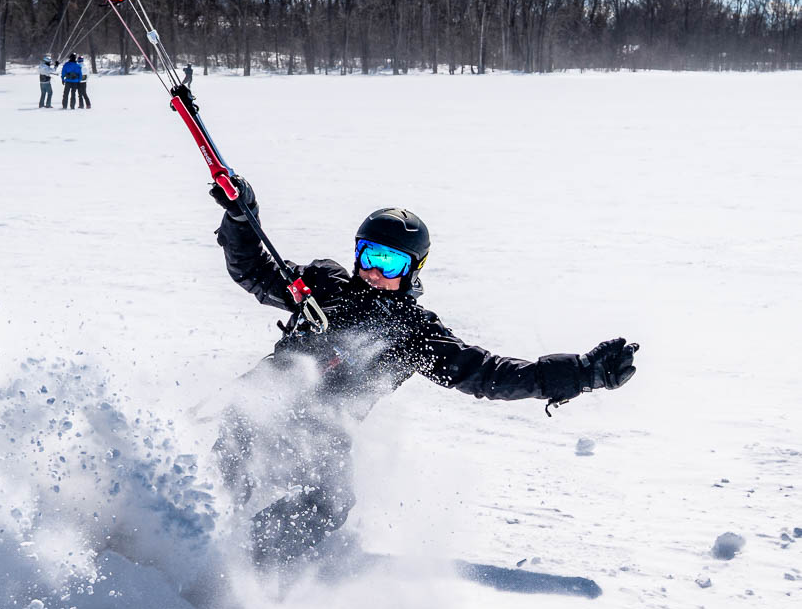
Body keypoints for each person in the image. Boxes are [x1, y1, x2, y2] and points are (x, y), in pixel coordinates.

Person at [208, 178, 639, 568]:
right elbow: (254, 271)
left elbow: (487, 373)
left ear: (413, 268)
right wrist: (240, 217)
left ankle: (245, 565)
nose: (375, 272)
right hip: (259, 408)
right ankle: (204, 535)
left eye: (390, 263)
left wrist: (580, 374)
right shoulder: (323, 285)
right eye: (369, 256)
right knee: (235, 470)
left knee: (331, 504)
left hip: (323, 435)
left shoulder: (415, 334)